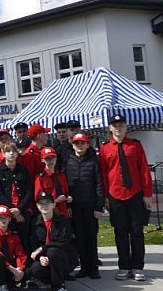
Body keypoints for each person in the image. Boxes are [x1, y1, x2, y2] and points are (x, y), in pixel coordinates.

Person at [99, 113, 153, 281]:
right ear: (110, 128)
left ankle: (137, 266)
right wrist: (106, 197)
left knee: (137, 231)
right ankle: (124, 266)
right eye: (115, 125)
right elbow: (103, 174)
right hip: (115, 195)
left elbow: (144, 169)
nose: (118, 128)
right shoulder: (105, 148)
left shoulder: (135, 146)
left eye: (121, 125)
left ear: (126, 127)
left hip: (135, 194)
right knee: (120, 231)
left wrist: (147, 194)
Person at [64, 132, 104, 279]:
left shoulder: (93, 161)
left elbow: (99, 184)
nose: (79, 146)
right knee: (79, 238)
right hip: (74, 207)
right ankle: (84, 267)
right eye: (77, 143)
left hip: (90, 206)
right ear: (72, 145)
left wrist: (99, 207)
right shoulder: (68, 162)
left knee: (91, 237)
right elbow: (65, 185)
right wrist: (66, 206)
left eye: (82, 143)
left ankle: (93, 267)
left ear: (88, 145)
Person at [26, 192, 78, 291]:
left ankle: (58, 286)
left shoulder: (63, 220)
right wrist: (40, 257)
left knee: (53, 251)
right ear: (37, 206)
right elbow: (33, 243)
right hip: (45, 257)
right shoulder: (34, 222)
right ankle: (55, 278)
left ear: (54, 204)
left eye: (47, 203)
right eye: (41, 204)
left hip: (64, 258)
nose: (44, 206)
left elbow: (63, 242)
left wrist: (42, 248)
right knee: (34, 270)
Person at [0, 142, 34, 253]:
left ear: (17, 154)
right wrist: (13, 211)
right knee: (8, 240)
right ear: (3, 154)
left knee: (24, 238)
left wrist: (19, 209)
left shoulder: (23, 170)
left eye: (13, 151)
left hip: (23, 210)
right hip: (6, 212)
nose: (11, 154)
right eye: (8, 151)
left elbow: (29, 191)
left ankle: (25, 264)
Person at [35, 147, 72, 218]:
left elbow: (66, 193)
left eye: (52, 157)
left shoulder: (61, 176)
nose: (50, 160)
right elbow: (38, 199)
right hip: (50, 212)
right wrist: (55, 201)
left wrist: (68, 199)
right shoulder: (40, 178)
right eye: (47, 158)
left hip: (64, 211)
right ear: (42, 160)